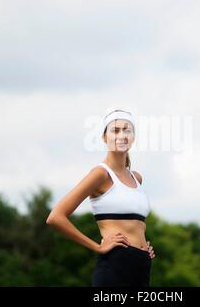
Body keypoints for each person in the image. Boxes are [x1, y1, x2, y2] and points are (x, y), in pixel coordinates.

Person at [46, 109, 155, 287]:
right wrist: (97, 247)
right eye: (115, 130)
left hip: (142, 266)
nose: (122, 135)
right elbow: (56, 217)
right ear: (105, 137)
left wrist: (144, 246)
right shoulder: (101, 174)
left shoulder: (137, 178)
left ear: (133, 137)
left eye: (127, 130)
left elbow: (134, 225)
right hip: (115, 266)